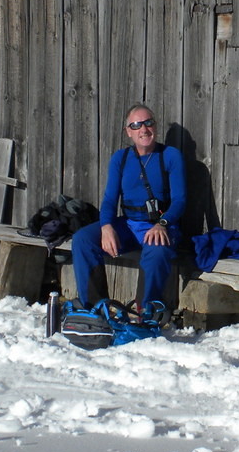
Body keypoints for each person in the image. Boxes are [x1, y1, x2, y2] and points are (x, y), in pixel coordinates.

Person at [71, 104, 187, 313]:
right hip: (129, 224)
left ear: (156, 126)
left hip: (160, 226)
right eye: (137, 125)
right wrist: (106, 226)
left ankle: (146, 312)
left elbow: (180, 200)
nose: (144, 129)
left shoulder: (170, 156)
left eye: (148, 123)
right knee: (83, 239)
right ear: (128, 131)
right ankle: (94, 308)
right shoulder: (120, 158)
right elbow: (109, 199)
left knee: (157, 250)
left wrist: (163, 224)